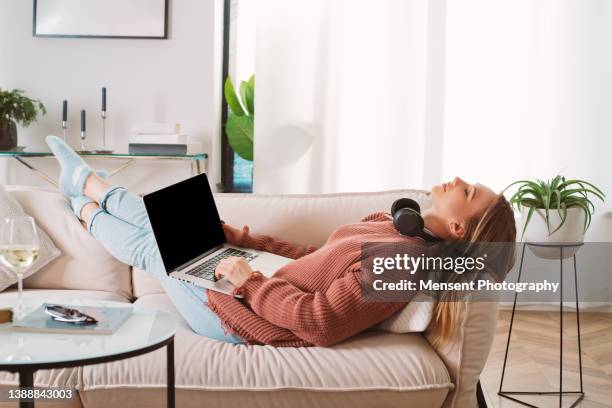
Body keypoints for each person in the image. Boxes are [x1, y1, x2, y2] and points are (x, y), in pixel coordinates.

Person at [45, 135, 516, 347]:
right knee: (174, 225)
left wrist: (249, 283)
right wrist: (245, 240)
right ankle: (87, 197)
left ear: (460, 230)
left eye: (468, 191)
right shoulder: (396, 226)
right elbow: (318, 259)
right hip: (251, 284)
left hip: (242, 316)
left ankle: (85, 192)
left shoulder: (402, 263)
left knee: (155, 245)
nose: (457, 180)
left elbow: (322, 321)